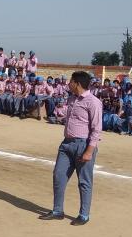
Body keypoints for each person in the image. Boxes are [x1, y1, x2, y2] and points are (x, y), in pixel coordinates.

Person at [40, 71, 102, 226]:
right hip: (66, 144)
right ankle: (57, 211)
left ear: (77, 84)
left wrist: (89, 151)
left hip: (83, 145)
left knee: (84, 181)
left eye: (71, 81)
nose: (69, 84)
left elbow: (96, 129)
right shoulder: (72, 98)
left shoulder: (93, 102)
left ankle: (84, 215)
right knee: (58, 176)